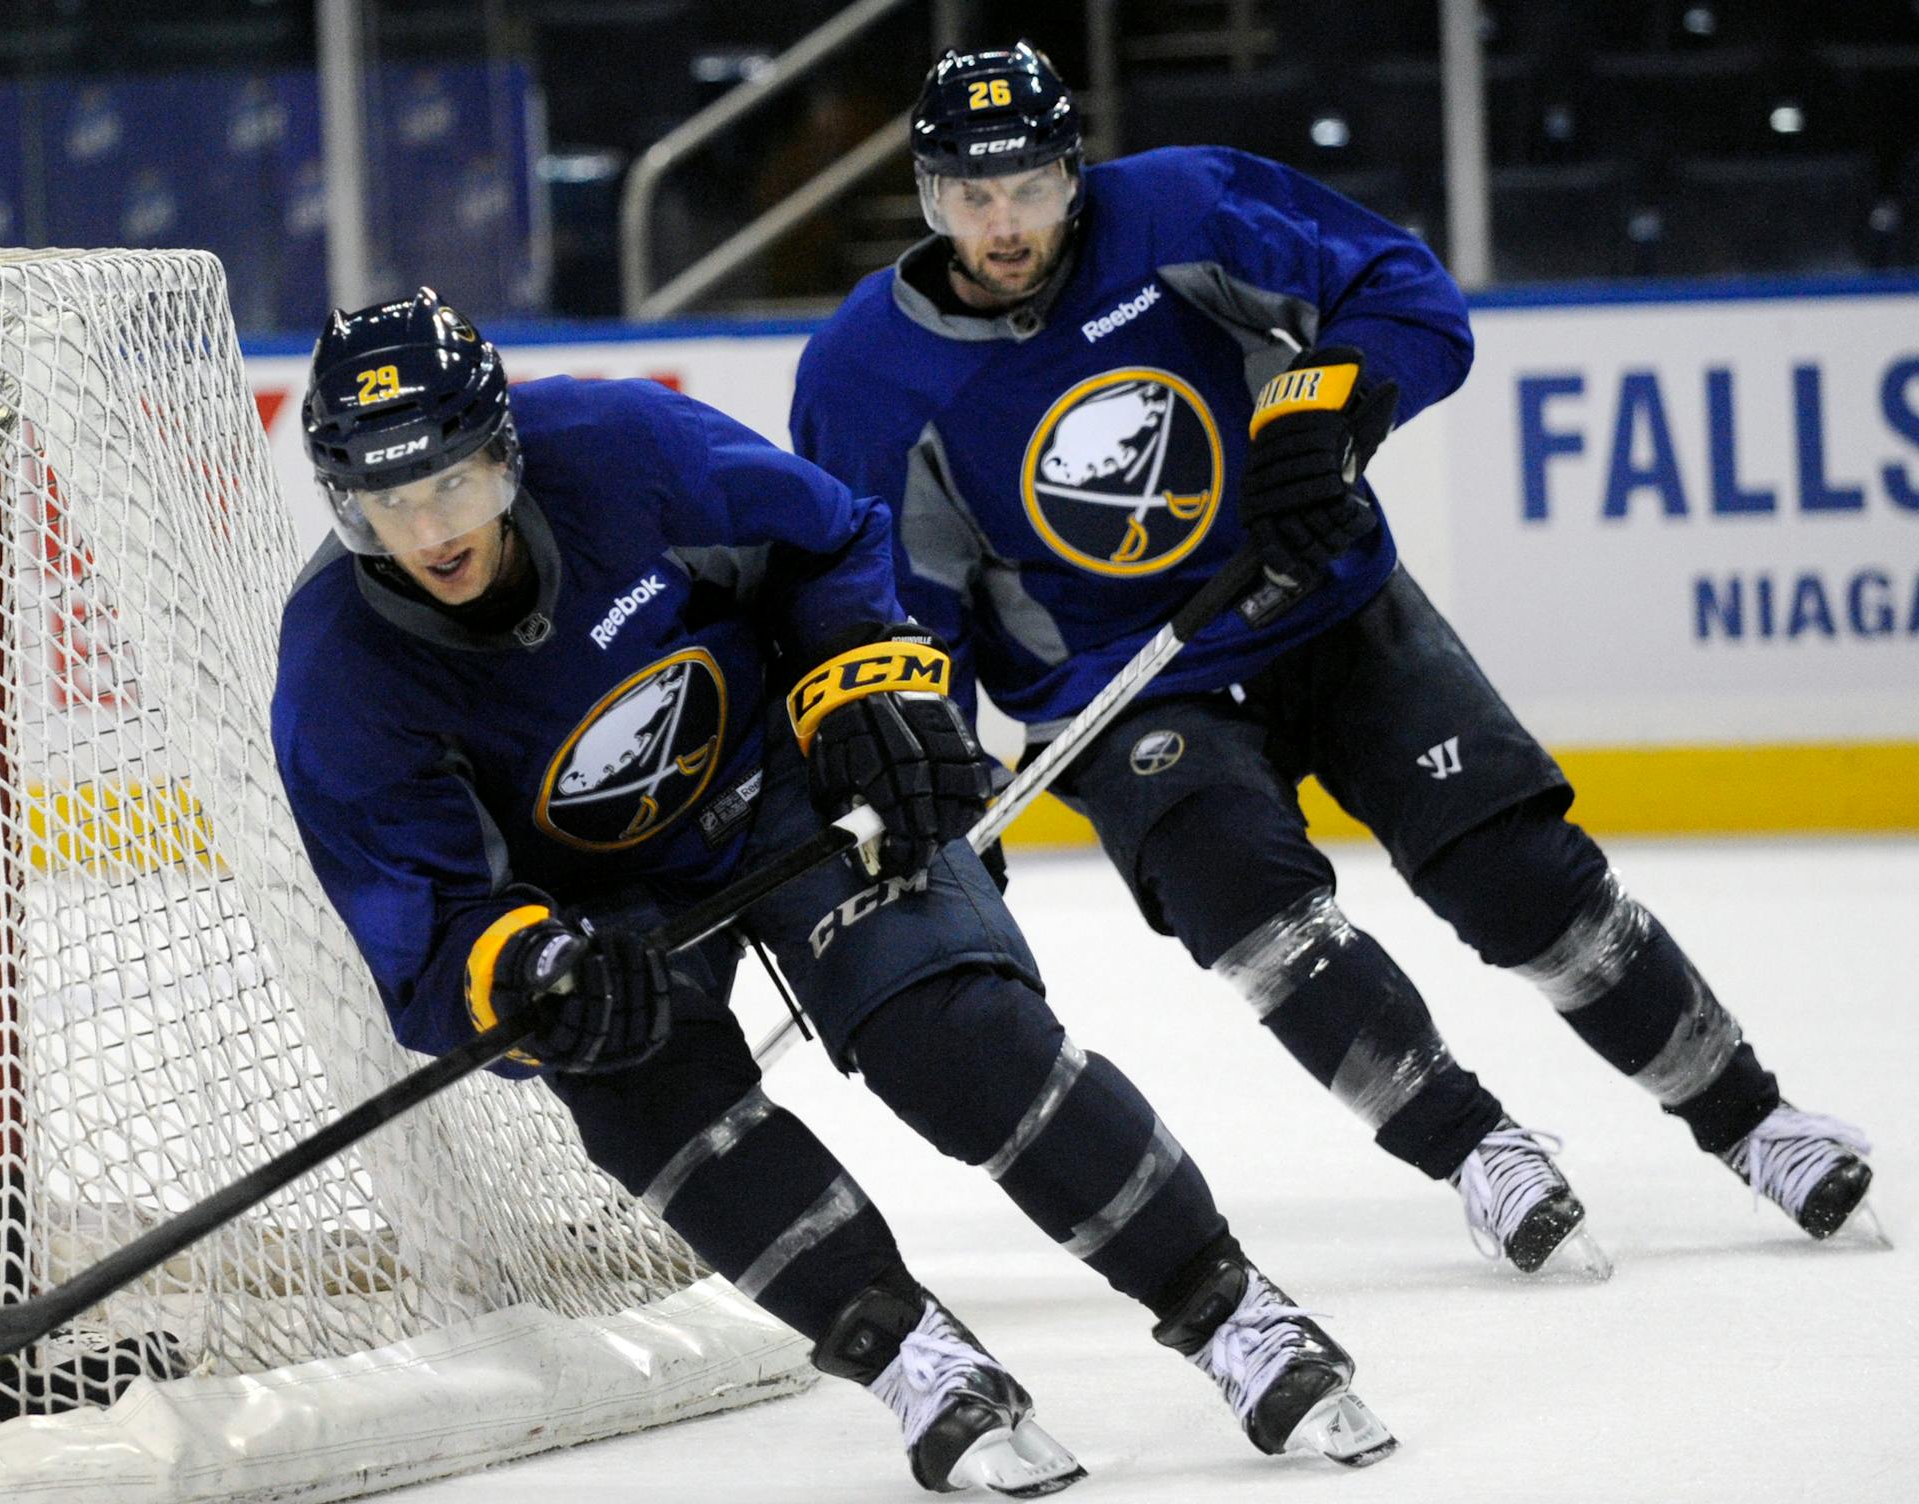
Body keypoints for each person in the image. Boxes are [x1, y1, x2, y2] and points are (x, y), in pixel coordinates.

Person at [271, 290, 1400, 1494]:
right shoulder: (339, 679)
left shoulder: (625, 450)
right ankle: (917, 1360)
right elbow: (428, 934)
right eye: (388, 504)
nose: (431, 530)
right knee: (648, 1098)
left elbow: (827, 540)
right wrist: (536, 974)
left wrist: (864, 683)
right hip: (602, 906)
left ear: (506, 450)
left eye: (454, 485)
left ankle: (1228, 1307)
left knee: (956, 1034)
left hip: (791, 784)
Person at [789, 42, 1877, 1278]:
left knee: (1517, 869)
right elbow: (901, 610)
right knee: (1257, 911)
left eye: (1030, 187)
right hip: (1130, 692)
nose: (1003, 224)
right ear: (927, 198)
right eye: (970, 196)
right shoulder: (863, 377)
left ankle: (1752, 1119)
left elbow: (1404, 293)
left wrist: (1328, 404)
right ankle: (1478, 1151)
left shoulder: (1188, 209)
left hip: (1333, 605)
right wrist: (929, 762)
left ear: (1074, 174)